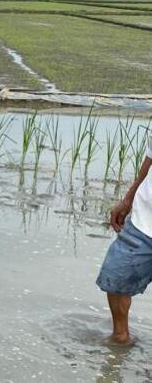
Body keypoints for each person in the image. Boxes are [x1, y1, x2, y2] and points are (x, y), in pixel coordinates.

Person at [96, 129, 152, 346]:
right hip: (143, 222)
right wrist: (128, 198)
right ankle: (120, 337)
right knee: (115, 278)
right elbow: (149, 159)